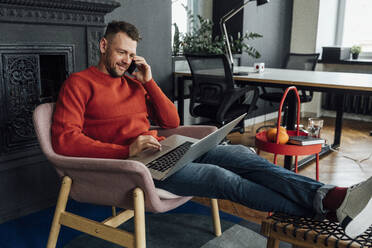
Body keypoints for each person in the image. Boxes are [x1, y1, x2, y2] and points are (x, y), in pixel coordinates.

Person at [52, 21, 372, 238]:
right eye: (121, 52)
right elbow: (66, 142)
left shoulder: (135, 83)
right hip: (131, 168)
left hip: (161, 152)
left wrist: (148, 82)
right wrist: (127, 151)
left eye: (131, 54)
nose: (126, 60)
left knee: (239, 155)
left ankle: (327, 198)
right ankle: (323, 211)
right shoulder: (79, 83)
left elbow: (172, 122)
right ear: (104, 45)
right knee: (220, 179)